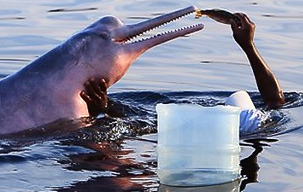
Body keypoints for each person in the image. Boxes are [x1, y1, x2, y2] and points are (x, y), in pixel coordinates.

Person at [80, 10, 285, 133]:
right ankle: (103, 111)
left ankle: (103, 111)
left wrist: (104, 113)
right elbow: (276, 102)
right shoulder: (248, 125)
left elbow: (276, 103)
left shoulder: (241, 126)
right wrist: (248, 46)